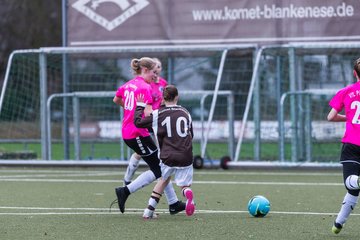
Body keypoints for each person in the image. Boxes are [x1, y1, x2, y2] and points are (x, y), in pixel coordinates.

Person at [112, 57, 184, 215]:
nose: (155, 75)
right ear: (145, 70)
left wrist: (130, 109)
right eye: (153, 72)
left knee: (161, 168)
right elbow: (148, 113)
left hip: (131, 132)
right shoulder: (144, 87)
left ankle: (173, 203)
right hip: (137, 133)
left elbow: (116, 99)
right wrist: (167, 118)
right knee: (161, 169)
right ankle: (125, 191)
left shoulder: (128, 84)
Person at [134, 85, 195, 219]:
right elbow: (191, 134)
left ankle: (148, 211)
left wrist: (139, 106)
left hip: (167, 155)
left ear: (163, 98)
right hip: (185, 154)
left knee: (163, 180)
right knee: (184, 184)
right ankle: (187, 191)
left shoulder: (158, 114)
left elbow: (138, 123)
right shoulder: (185, 112)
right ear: (177, 97)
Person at [328, 58, 360, 234]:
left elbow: (331, 117)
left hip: (352, 144)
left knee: (351, 183)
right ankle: (338, 223)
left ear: (355, 73)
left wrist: (347, 118)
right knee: (353, 188)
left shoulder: (346, 92)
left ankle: (338, 223)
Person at [123, 58, 168, 185]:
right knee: (143, 153)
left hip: (155, 120)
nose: (157, 70)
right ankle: (127, 181)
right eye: (155, 68)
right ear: (147, 70)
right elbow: (145, 109)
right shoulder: (145, 85)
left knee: (159, 153)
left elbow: (166, 100)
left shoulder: (163, 84)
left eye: (159, 67)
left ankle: (169, 195)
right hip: (145, 121)